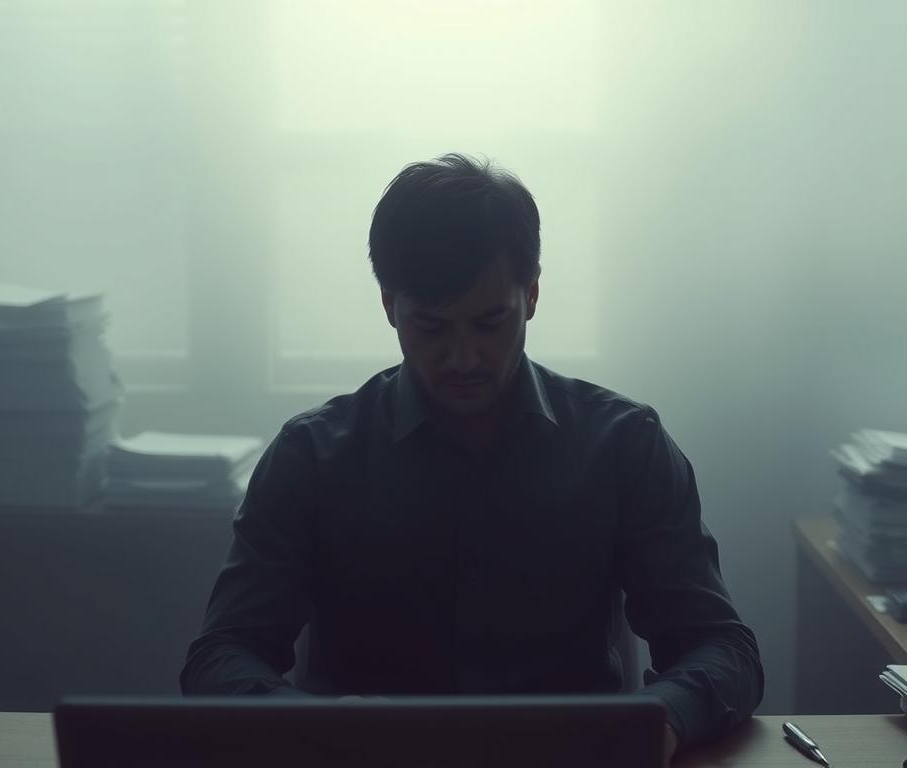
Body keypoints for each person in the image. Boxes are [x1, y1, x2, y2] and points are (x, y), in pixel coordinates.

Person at [181, 153, 764, 758]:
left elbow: (721, 647)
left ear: (532, 294)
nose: (464, 358)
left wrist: (658, 722)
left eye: (490, 323)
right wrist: (316, 730)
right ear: (389, 307)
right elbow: (220, 657)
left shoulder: (624, 444)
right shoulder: (312, 456)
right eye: (432, 327)